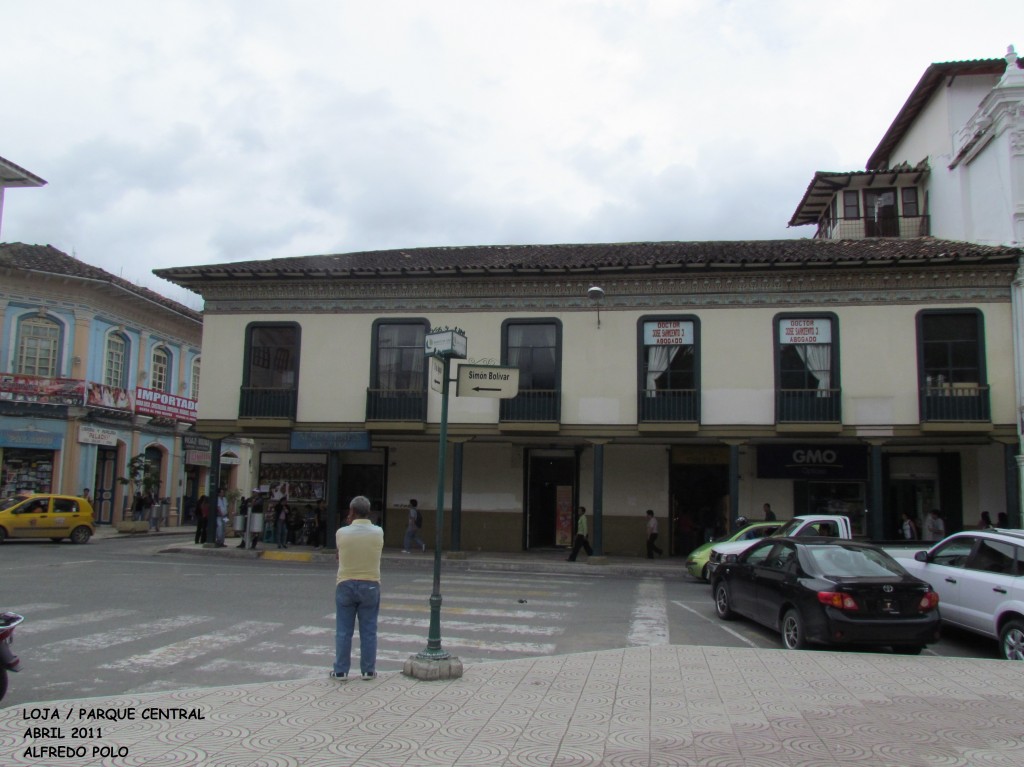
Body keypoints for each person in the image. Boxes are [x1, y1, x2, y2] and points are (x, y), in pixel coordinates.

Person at [332, 495, 384, 681]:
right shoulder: (378, 532)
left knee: (343, 630)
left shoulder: (341, 532)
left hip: (345, 583)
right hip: (370, 584)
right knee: (369, 629)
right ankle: (368, 670)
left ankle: (340, 670)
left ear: (351, 512)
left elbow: (338, 556)